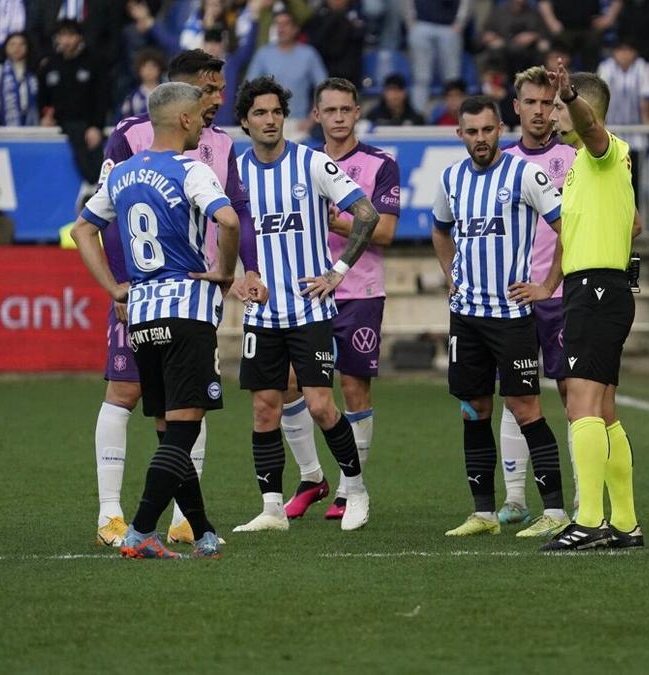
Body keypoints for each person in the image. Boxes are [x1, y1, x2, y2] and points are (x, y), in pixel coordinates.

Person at [71, 82, 257, 560]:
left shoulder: (124, 172)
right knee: (182, 433)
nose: (203, 121)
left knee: (167, 429)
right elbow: (230, 222)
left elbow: (82, 229)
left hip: (142, 317)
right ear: (185, 121)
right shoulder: (191, 169)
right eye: (199, 114)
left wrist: (115, 288)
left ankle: (204, 530)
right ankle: (139, 531)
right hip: (187, 312)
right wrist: (225, 273)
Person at [232, 76, 381, 534]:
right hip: (263, 314)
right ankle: (272, 508)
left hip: (309, 310)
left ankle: (355, 490)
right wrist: (238, 277)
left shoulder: (312, 163)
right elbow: (222, 228)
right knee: (264, 408)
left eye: (276, 111)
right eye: (260, 113)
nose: (270, 120)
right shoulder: (234, 172)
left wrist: (337, 272)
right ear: (245, 121)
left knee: (320, 405)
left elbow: (367, 213)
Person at [429, 95, 570, 538]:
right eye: (471, 132)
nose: (480, 139)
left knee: (525, 408)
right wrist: (451, 275)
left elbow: (569, 226)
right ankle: (484, 513)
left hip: (511, 315)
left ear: (500, 130)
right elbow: (440, 228)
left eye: (487, 130)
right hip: (466, 316)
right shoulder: (451, 179)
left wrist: (546, 286)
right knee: (473, 410)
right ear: (460, 135)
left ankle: (554, 511)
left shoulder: (526, 173)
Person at [281, 77, 401, 522]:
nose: (337, 118)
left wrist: (334, 223)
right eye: (329, 111)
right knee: (290, 383)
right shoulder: (297, 162)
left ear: (356, 113)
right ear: (316, 115)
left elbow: (385, 232)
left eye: (345, 110)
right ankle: (312, 476)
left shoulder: (379, 163)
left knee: (353, 387)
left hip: (359, 290)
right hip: (307, 290)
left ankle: (352, 490)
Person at [539, 63, 642, 552]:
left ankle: (590, 521)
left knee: (581, 404)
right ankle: (624, 522)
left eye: (557, 104)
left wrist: (572, 96)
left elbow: (591, 129)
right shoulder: (589, 165)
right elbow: (636, 223)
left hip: (597, 289)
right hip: (599, 286)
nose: (553, 112)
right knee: (603, 409)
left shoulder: (603, 149)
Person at [497, 65, 578, 528]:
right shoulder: (502, 162)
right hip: (512, 298)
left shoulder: (572, 159)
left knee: (574, 396)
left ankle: (583, 500)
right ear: (517, 107)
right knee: (516, 395)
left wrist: (550, 283)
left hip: (561, 296)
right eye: (531, 102)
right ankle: (514, 499)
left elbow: (575, 228)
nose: (540, 112)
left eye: (548, 103)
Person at [38, 19, 106, 187]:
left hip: (86, 125)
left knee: (95, 169)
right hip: (59, 124)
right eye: (62, 36)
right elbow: (42, 98)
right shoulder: (50, 64)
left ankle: (97, 185)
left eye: (70, 35)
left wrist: (96, 126)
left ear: (79, 37)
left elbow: (102, 98)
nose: (66, 40)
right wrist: (45, 116)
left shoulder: (94, 61)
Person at [244, 10, 328, 123]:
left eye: (285, 24)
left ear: (295, 28)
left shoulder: (309, 54)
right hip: (268, 123)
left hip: (299, 124)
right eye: (277, 24)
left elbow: (324, 89)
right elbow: (248, 89)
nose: (281, 28)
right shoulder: (263, 54)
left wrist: (311, 119)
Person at [407, 0, 470, 116]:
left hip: (449, 27)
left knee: (452, 78)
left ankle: (453, 117)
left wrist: (460, 23)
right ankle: (417, 116)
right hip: (422, 24)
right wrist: (411, 23)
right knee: (421, 77)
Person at [0, 31, 36, 127]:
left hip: (31, 124)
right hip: (3, 122)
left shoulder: (33, 73)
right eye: (12, 44)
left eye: (21, 44)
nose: (17, 48)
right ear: (5, 47)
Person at [120, 48, 166, 120]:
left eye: (153, 66)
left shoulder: (167, 94)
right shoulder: (132, 97)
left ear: (160, 69)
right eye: (145, 66)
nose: (149, 70)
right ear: (139, 70)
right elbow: (126, 119)